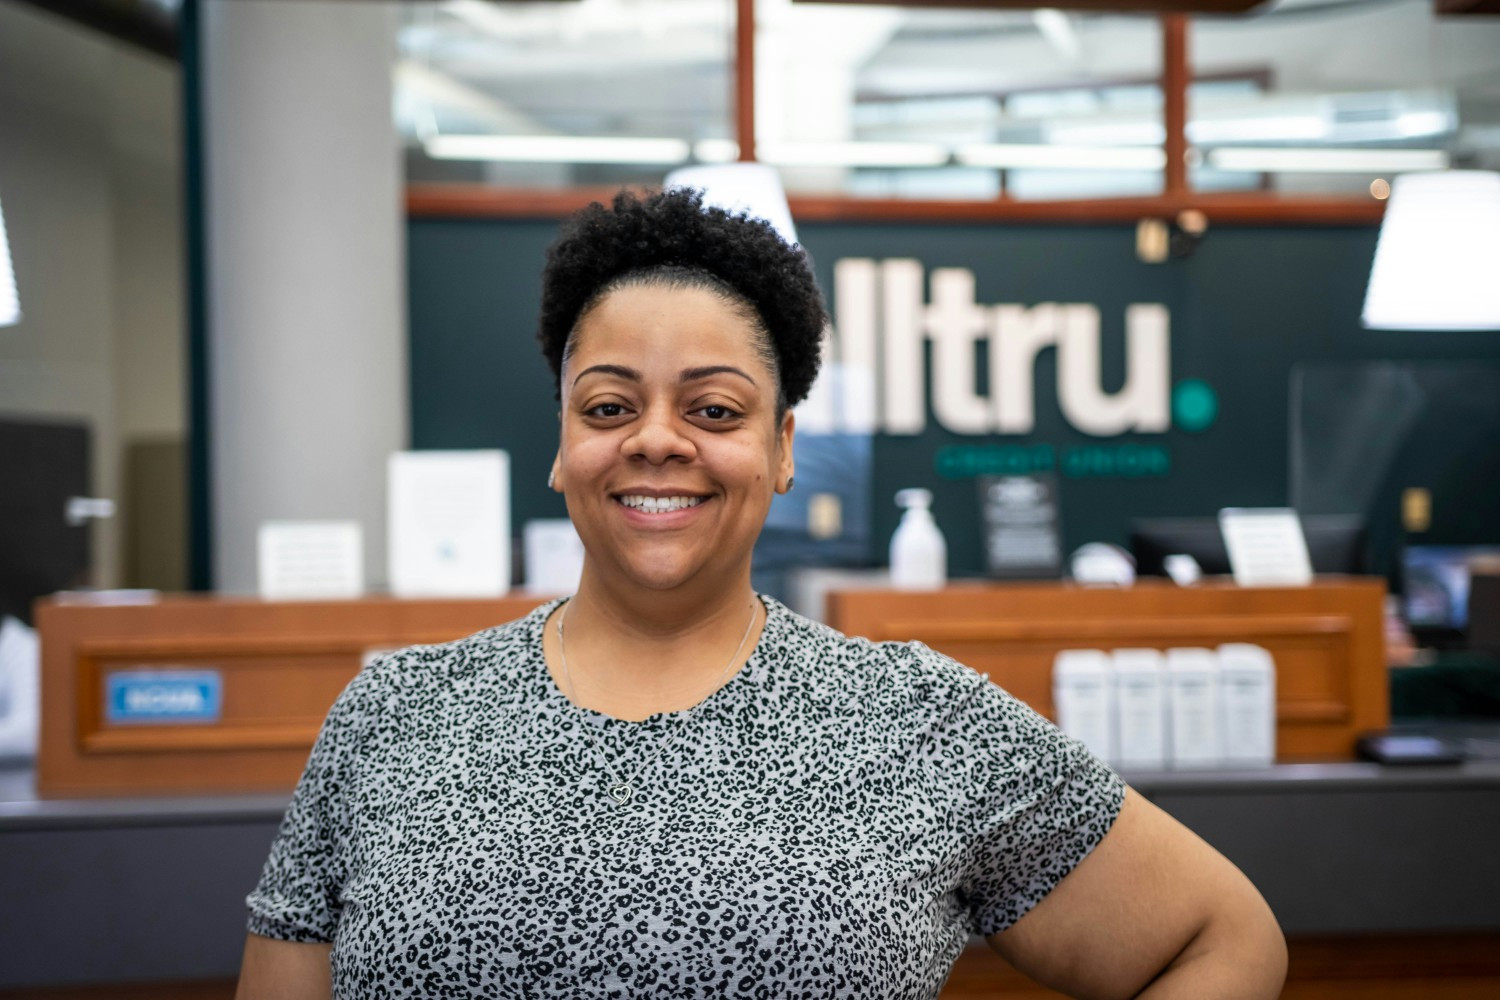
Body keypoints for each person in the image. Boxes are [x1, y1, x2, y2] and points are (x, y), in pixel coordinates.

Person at [236, 188, 1286, 999]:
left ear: (782, 449)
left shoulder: (917, 723)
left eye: (715, 407)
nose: (656, 439)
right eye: (609, 404)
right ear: (562, 442)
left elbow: (1224, 938)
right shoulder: (394, 718)